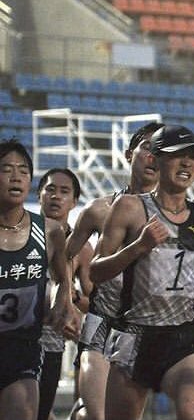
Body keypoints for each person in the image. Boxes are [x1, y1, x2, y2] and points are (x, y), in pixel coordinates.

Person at [90, 124, 194, 420]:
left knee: (192, 412)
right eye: (179, 155)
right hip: (134, 334)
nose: (188, 163)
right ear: (156, 159)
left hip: (182, 334)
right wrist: (138, 247)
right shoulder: (129, 208)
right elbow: (96, 272)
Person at [66, 121, 163, 420]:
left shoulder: (179, 217)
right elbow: (65, 256)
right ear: (128, 154)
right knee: (97, 414)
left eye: (161, 151)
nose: (153, 156)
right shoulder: (99, 210)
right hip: (102, 320)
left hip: (142, 327)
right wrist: (63, 296)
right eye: (147, 147)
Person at [0, 138, 78, 420]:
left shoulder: (49, 231)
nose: (16, 176)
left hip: (23, 348)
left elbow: (60, 279)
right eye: (6, 169)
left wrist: (61, 305)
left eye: (22, 170)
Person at [36, 168, 94, 420]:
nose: (55, 196)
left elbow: (96, 303)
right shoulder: (16, 232)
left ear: (74, 201)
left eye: (64, 191)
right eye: (50, 189)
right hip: (12, 334)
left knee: (40, 409)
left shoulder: (82, 248)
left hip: (51, 340)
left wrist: (72, 301)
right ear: (39, 195)